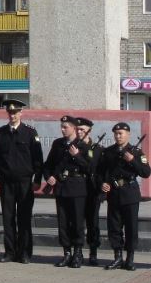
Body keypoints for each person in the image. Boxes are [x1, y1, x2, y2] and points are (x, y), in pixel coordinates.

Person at [0, 100, 43, 264]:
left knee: (24, 218)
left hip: (25, 182)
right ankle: (10, 252)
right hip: (6, 182)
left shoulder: (30, 132)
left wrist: (37, 179)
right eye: (10, 113)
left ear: (21, 113)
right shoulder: (0, 133)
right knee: (8, 218)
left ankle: (25, 253)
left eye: (15, 112)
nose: (12, 115)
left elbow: (38, 158)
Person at [97, 122, 151, 271]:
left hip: (130, 194)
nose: (118, 136)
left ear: (128, 135)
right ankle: (117, 257)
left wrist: (132, 160)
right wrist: (103, 184)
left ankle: (130, 259)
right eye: (116, 133)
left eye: (121, 133)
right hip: (114, 194)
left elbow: (146, 172)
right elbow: (100, 172)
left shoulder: (137, 152)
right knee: (114, 227)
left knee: (131, 227)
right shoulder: (108, 152)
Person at [43, 115, 91, 268]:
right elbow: (48, 165)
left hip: (77, 188)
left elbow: (89, 168)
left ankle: (78, 253)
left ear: (74, 128)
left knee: (77, 222)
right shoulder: (58, 144)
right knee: (63, 223)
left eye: (66, 127)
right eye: (61, 127)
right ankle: (67, 253)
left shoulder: (83, 146)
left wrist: (77, 156)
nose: (62, 130)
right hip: (61, 188)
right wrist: (49, 177)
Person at [76, 116, 104, 265]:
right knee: (77, 223)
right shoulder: (73, 147)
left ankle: (93, 252)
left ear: (89, 131)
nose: (79, 132)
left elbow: (99, 171)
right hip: (77, 190)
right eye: (77, 129)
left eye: (82, 129)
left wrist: (102, 192)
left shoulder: (98, 149)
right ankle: (78, 252)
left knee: (93, 223)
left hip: (92, 191)